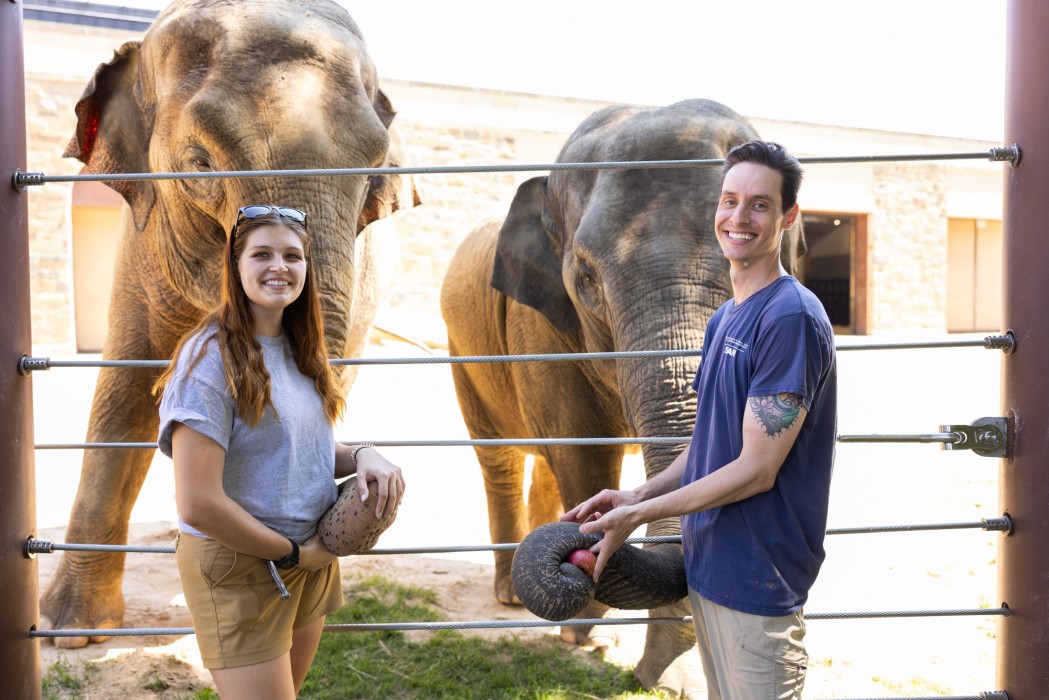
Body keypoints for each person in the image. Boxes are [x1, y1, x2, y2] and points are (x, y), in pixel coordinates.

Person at [562, 141, 836, 699]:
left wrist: (644, 516)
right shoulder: (725, 319)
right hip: (709, 570)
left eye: (759, 205)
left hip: (759, 582)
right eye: (730, 200)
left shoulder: (790, 319)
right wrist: (636, 494)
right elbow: (709, 447)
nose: (739, 218)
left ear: (788, 218)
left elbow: (757, 469)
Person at [153, 205, 405, 699]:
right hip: (243, 565)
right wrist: (293, 553)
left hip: (308, 557)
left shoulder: (299, 347)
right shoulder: (208, 359)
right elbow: (198, 503)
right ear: (236, 264)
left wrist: (364, 455)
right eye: (262, 254)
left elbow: (301, 450)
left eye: (293, 256)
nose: (279, 267)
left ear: (307, 269)